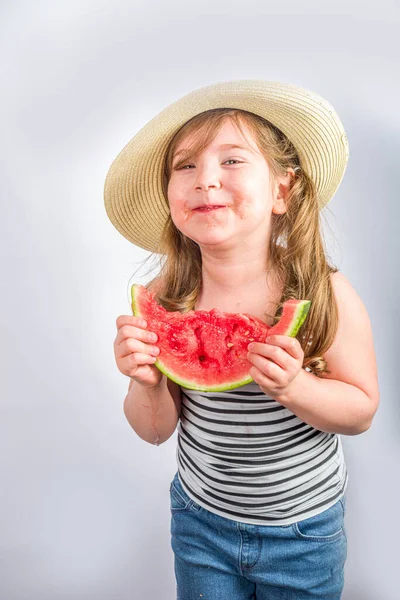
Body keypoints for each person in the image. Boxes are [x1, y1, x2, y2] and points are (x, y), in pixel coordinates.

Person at [106, 80, 380, 599]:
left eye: (231, 161)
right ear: (170, 197)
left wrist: (297, 388)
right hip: (199, 522)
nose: (205, 179)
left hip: (303, 531)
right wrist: (145, 383)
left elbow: (362, 410)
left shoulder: (322, 292)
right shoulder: (168, 297)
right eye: (184, 166)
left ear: (282, 190)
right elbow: (156, 431)